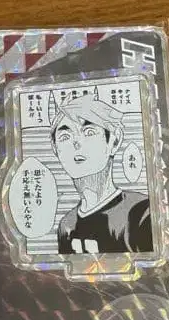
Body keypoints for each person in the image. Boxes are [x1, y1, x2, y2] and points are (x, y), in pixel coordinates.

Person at [51, 94, 153, 255]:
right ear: (55, 148)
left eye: (89, 132)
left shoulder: (141, 212)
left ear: (114, 141)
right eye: (65, 136)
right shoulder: (66, 225)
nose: (76, 142)